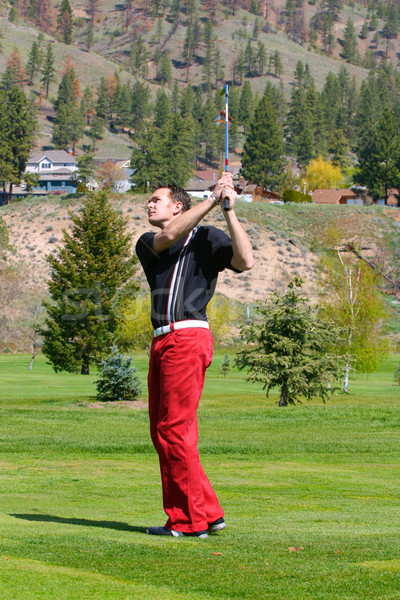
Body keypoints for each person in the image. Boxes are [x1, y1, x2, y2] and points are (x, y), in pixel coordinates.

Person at [135, 172, 254, 538]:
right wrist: (212, 199)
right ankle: (209, 512)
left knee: (173, 431)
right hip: (161, 343)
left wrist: (229, 209)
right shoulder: (148, 241)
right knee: (167, 433)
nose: (150, 204)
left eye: (157, 199)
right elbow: (171, 235)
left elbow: (245, 260)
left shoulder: (208, 237)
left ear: (178, 205)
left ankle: (188, 522)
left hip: (187, 337)